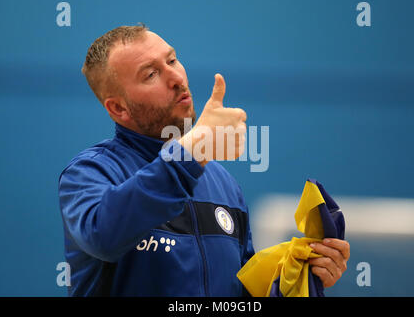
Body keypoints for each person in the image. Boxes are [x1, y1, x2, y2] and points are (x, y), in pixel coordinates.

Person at [58, 24, 350, 296]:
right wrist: (193, 152)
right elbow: (104, 234)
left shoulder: (224, 184)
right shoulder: (88, 174)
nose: (177, 78)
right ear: (119, 108)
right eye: (150, 74)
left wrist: (299, 280)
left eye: (172, 61)